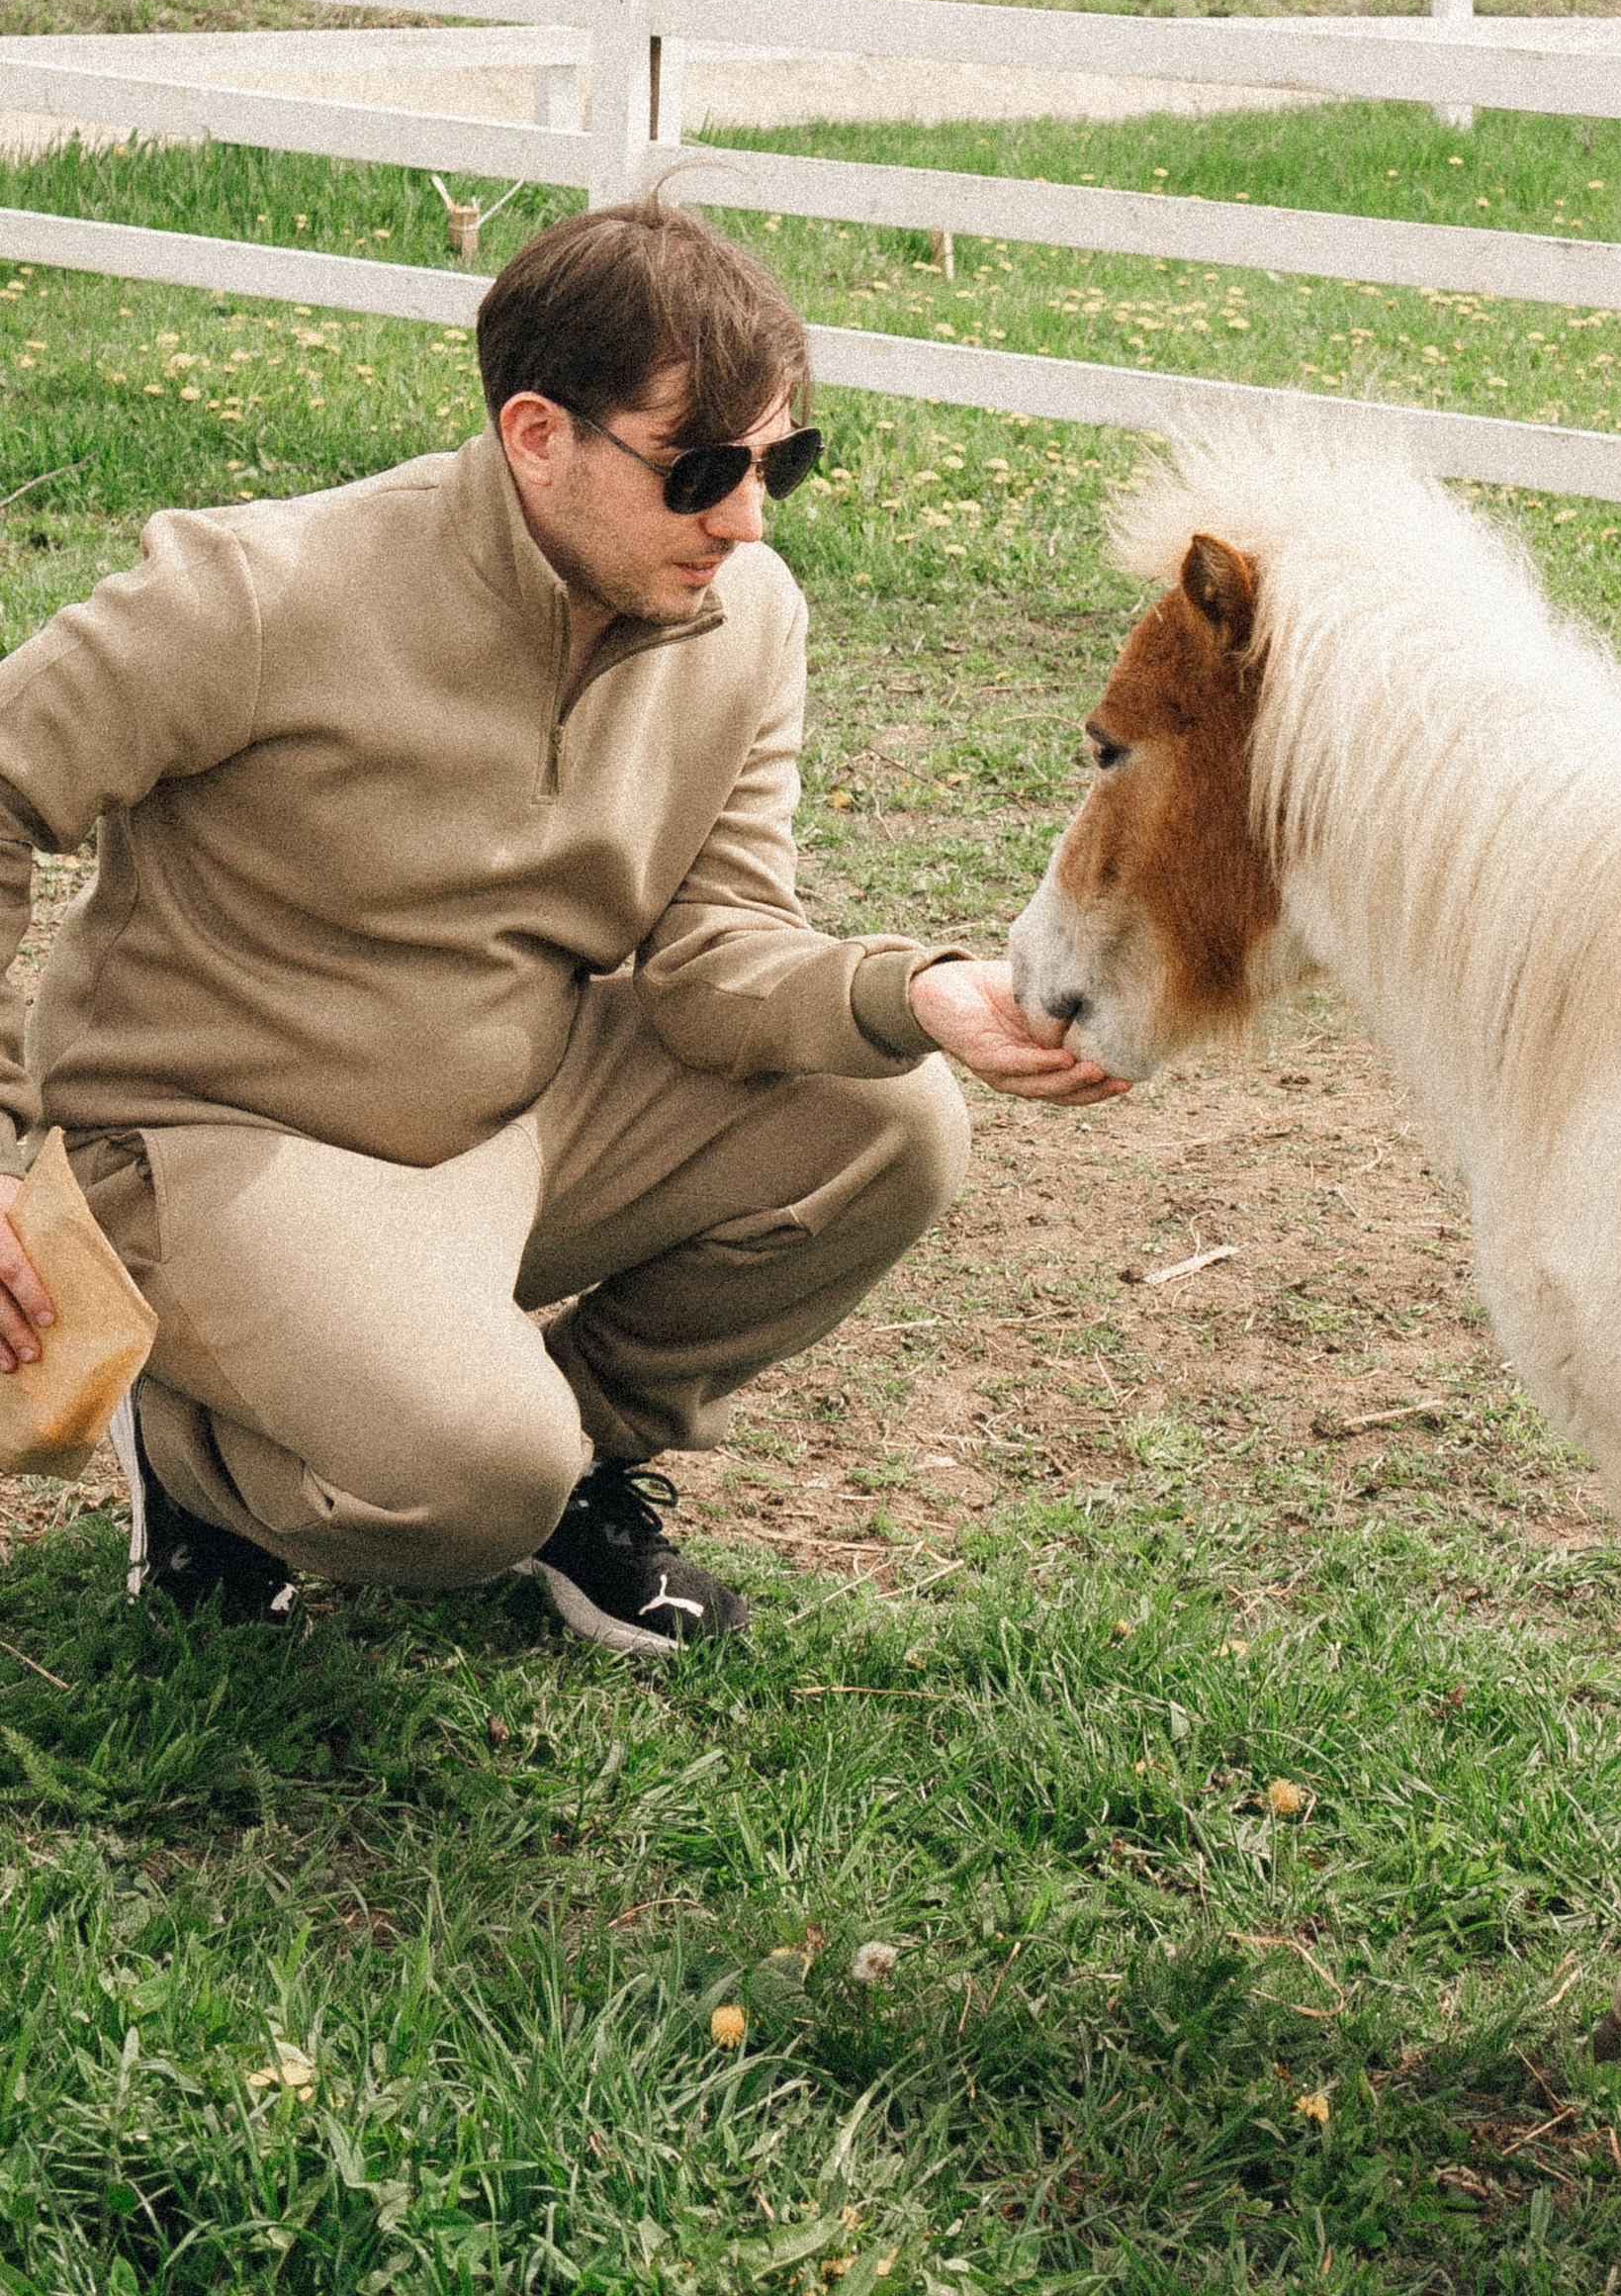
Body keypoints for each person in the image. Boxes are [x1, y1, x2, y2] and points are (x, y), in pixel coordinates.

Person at [0, 200, 1121, 1658]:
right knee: (471, 1477)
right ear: (536, 435)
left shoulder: (748, 615)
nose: (747, 517)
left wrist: (920, 994)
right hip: (215, 1135)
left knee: (890, 1120)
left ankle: (574, 1469)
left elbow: (718, 954)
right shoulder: (256, 592)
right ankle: (198, 1448)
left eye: (781, 462)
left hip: (512, 1114)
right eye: (699, 469)